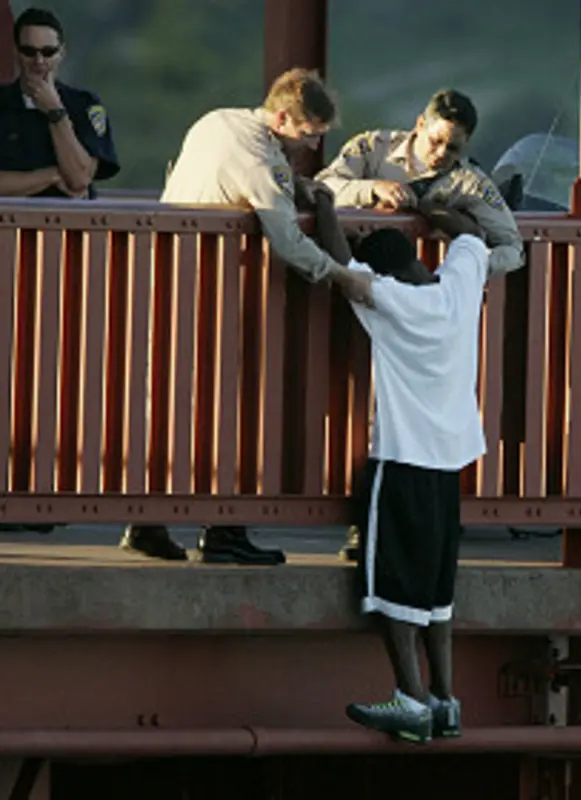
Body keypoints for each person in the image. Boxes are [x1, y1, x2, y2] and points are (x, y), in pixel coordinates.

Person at [120, 67, 372, 566]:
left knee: (172, 405)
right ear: (281, 119)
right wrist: (343, 276)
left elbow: (240, 178)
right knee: (232, 407)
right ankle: (225, 531)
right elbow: (287, 239)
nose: (312, 145)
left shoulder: (217, 121)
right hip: (217, 294)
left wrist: (293, 184)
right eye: (308, 134)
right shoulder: (261, 158)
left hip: (167, 281)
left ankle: (146, 521)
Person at [316, 88, 523, 562]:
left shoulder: (471, 183)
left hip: (402, 304)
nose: (442, 153)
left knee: (386, 419)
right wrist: (371, 190)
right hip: (358, 292)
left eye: (454, 147)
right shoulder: (373, 148)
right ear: (418, 125)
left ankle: (366, 528)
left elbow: (512, 248)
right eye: (436, 141)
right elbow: (324, 184)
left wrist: (463, 273)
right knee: (347, 411)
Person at [313, 188, 489, 743]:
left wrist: (324, 204)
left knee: (393, 586)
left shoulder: (389, 302)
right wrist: (431, 209)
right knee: (437, 591)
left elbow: (341, 264)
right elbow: (471, 236)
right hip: (450, 460)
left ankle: (410, 700)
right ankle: (445, 700)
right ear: (417, 259)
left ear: (384, 272)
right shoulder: (459, 288)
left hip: (403, 456)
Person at [0, 7, 119, 198]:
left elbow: (80, 179)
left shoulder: (85, 105)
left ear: (62, 53)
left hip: (68, 217)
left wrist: (55, 111)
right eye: (29, 51)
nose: (39, 61)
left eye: (48, 52)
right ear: (16, 51)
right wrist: (51, 176)